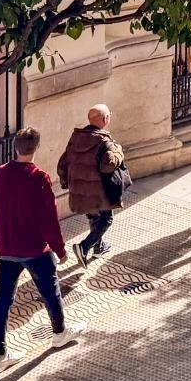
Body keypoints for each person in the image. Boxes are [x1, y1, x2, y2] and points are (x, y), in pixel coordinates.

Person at [0, 127, 82, 366]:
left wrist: (1, 238)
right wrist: (59, 249)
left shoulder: (0, 174)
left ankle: (0, 353)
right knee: (51, 292)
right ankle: (59, 333)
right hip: (32, 248)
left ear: (15, 147)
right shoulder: (38, 178)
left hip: (6, 247)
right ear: (36, 148)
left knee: (3, 299)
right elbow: (48, 218)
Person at [57, 104, 127, 265]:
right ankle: (84, 246)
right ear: (105, 120)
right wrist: (118, 151)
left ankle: (99, 246)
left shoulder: (76, 138)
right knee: (106, 219)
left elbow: (62, 163)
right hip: (99, 191)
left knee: (94, 217)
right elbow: (108, 165)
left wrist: (67, 183)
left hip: (80, 190)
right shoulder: (104, 141)